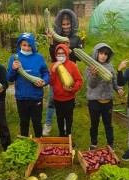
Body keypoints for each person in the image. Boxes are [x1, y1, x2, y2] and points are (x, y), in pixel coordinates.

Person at [43, 8, 83, 136]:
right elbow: (53, 55)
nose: (65, 27)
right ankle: (48, 124)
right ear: (60, 25)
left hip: (70, 73)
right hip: (57, 74)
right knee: (51, 101)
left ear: (72, 23)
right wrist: (50, 40)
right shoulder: (57, 37)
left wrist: (71, 51)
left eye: (68, 24)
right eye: (63, 24)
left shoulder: (76, 39)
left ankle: (67, 127)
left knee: (68, 104)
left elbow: (81, 57)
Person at [7, 32, 50, 137]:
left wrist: (44, 81)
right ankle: (24, 142)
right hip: (21, 97)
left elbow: (45, 73)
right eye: (24, 45)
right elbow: (9, 78)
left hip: (36, 97)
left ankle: (39, 141)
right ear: (20, 45)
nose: (26, 48)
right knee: (24, 122)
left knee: (37, 122)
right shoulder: (14, 58)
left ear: (33, 45)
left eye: (29, 45)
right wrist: (13, 69)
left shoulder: (38, 57)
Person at [86, 43, 124, 151]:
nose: (103, 56)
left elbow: (114, 82)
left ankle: (110, 144)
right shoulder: (90, 67)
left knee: (108, 124)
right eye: (101, 53)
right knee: (94, 123)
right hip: (94, 101)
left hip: (107, 101)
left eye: (106, 54)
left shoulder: (110, 67)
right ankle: (93, 143)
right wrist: (94, 75)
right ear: (96, 54)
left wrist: (118, 89)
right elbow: (91, 85)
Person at [50, 44, 83, 138]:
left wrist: (72, 89)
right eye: (58, 54)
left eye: (63, 53)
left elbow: (79, 80)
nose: (60, 56)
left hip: (69, 98)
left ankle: (68, 136)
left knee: (69, 118)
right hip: (57, 98)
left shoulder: (72, 65)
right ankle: (61, 135)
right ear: (56, 55)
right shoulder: (53, 65)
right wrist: (53, 70)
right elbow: (51, 82)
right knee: (59, 118)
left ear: (66, 54)